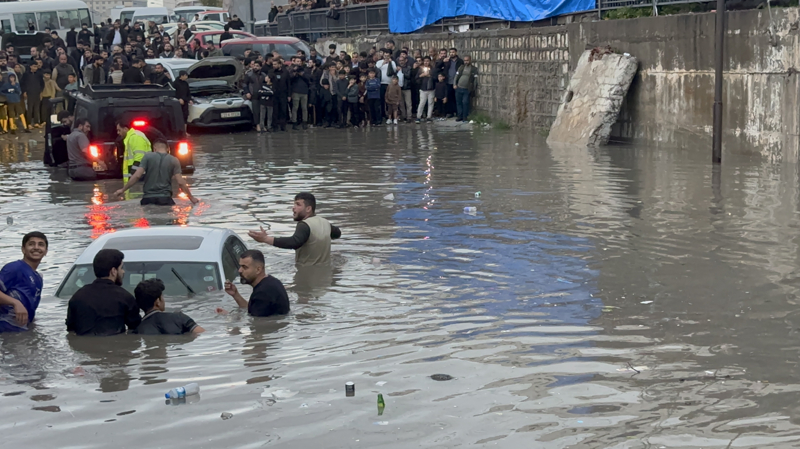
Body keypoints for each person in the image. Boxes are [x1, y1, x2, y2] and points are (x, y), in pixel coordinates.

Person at [248, 192, 341, 266]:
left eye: (298, 204)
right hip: (325, 274)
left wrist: (266, 239)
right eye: (294, 204)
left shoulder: (304, 225)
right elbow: (337, 234)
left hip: (307, 273)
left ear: (308, 209)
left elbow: (294, 242)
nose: (293, 208)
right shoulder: (325, 223)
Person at [66, 249, 140, 336]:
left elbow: (71, 329)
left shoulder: (77, 296)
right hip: (115, 343)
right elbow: (136, 328)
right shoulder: (125, 297)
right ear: (113, 271)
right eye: (121, 268)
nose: (123, 271)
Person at [114, 139, 199, 206]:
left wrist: (123, 190)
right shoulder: (174, 160)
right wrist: (191, 198)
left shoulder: (147, 157)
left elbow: (137, 176)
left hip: (147, 199)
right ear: (168, 149)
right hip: (165, 199)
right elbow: (180, 182)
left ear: (154, 149)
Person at [0, 232, 48, 332]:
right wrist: (15, 303)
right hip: (5, 330)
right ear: (23, 249)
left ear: (46, 251)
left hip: (21, 331)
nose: (36, 247)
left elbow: (30, 307)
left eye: (41, 244)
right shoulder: (14, 268)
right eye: (31, 244)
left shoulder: (38, 278)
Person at [223, 250, 289, 317]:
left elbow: (255, 321)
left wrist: (228, 316)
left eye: (245, 267)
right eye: (240, 266)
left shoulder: (262, 293)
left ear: (258, 270)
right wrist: (235, 294)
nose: (240, 270)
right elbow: (253, 309)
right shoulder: (271, 282)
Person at [133, 279, 204, 335]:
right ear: (158, 302)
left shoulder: (137, 330)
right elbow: (201, 334)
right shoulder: (179, 318)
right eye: (162, 296)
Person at [454, 55, 478, 122]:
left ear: (470, 60)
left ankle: (465, 116)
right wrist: (454, 84)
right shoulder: (461, 67)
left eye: (467, 60)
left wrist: (473, 88)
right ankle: (460, 116)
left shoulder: (473, 69)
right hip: (459, 87)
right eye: (465, 60)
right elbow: (456, 76)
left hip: (467, 89)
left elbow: (475, 79)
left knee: (465, 102)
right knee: (459, 103)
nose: (466, 62)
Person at [268, 58, 289, 131]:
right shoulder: (271, 72)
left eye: (275, 64)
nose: (274, 65)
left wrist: (289, 95)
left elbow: (288, 83)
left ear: (280, 64)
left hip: (283, 93)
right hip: (274, 94)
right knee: (275, 110)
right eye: (273, 64)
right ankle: (275, 126)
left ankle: (283, 125)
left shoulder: (285, 72)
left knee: (283, 110)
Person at [289, 56, 310, 130]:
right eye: (297, 61)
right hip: (295, 91)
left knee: (304, 108)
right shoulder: (291, 69)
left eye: (300, 61)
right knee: (295, 108)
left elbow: (309, 78)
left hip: (304, 91)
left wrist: (302, 74)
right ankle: (294, 122)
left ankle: (305, 122)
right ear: (294, 62)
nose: (299, 63)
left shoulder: (305, 69)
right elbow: (289, 79)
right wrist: (294, 72)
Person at [415, 56, 434, 123]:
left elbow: (436, 78)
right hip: (423, 89)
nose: (426, 62)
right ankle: (418, 117)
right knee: (422, 103)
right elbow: (416, 78)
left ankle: (429, 117)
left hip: (431, 89)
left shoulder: (433, 69)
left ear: (430, 62)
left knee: (430, 103)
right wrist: (421, 75)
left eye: (427, 61)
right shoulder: (420, 69)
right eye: (425, 61)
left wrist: (430, 75)